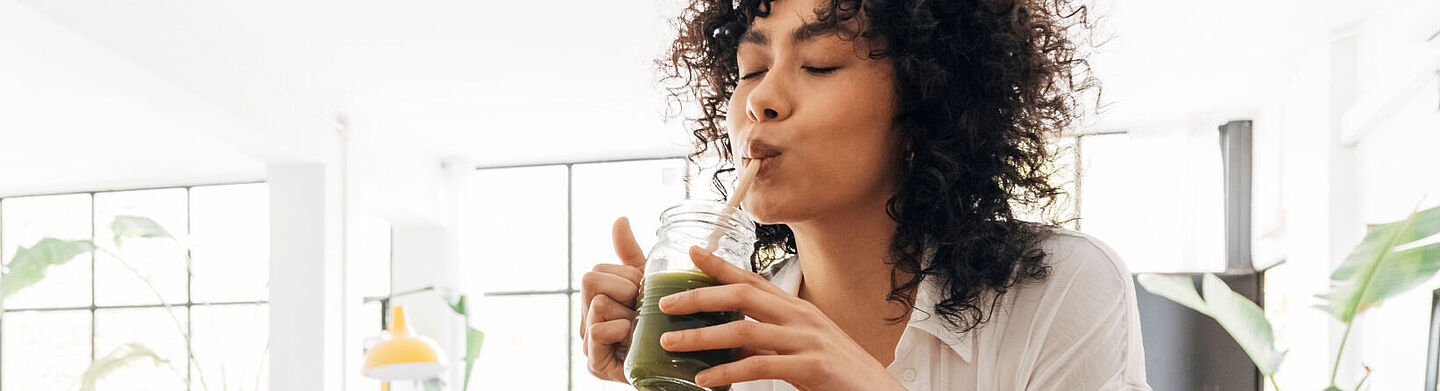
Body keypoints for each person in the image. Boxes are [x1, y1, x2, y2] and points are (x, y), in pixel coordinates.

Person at [580, 0, 1151, 389]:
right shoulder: (728, 340)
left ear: (925, 102)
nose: (762, 100)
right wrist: (663, 374)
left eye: (820, 65)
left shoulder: (1061, 286)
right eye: (751, 69)